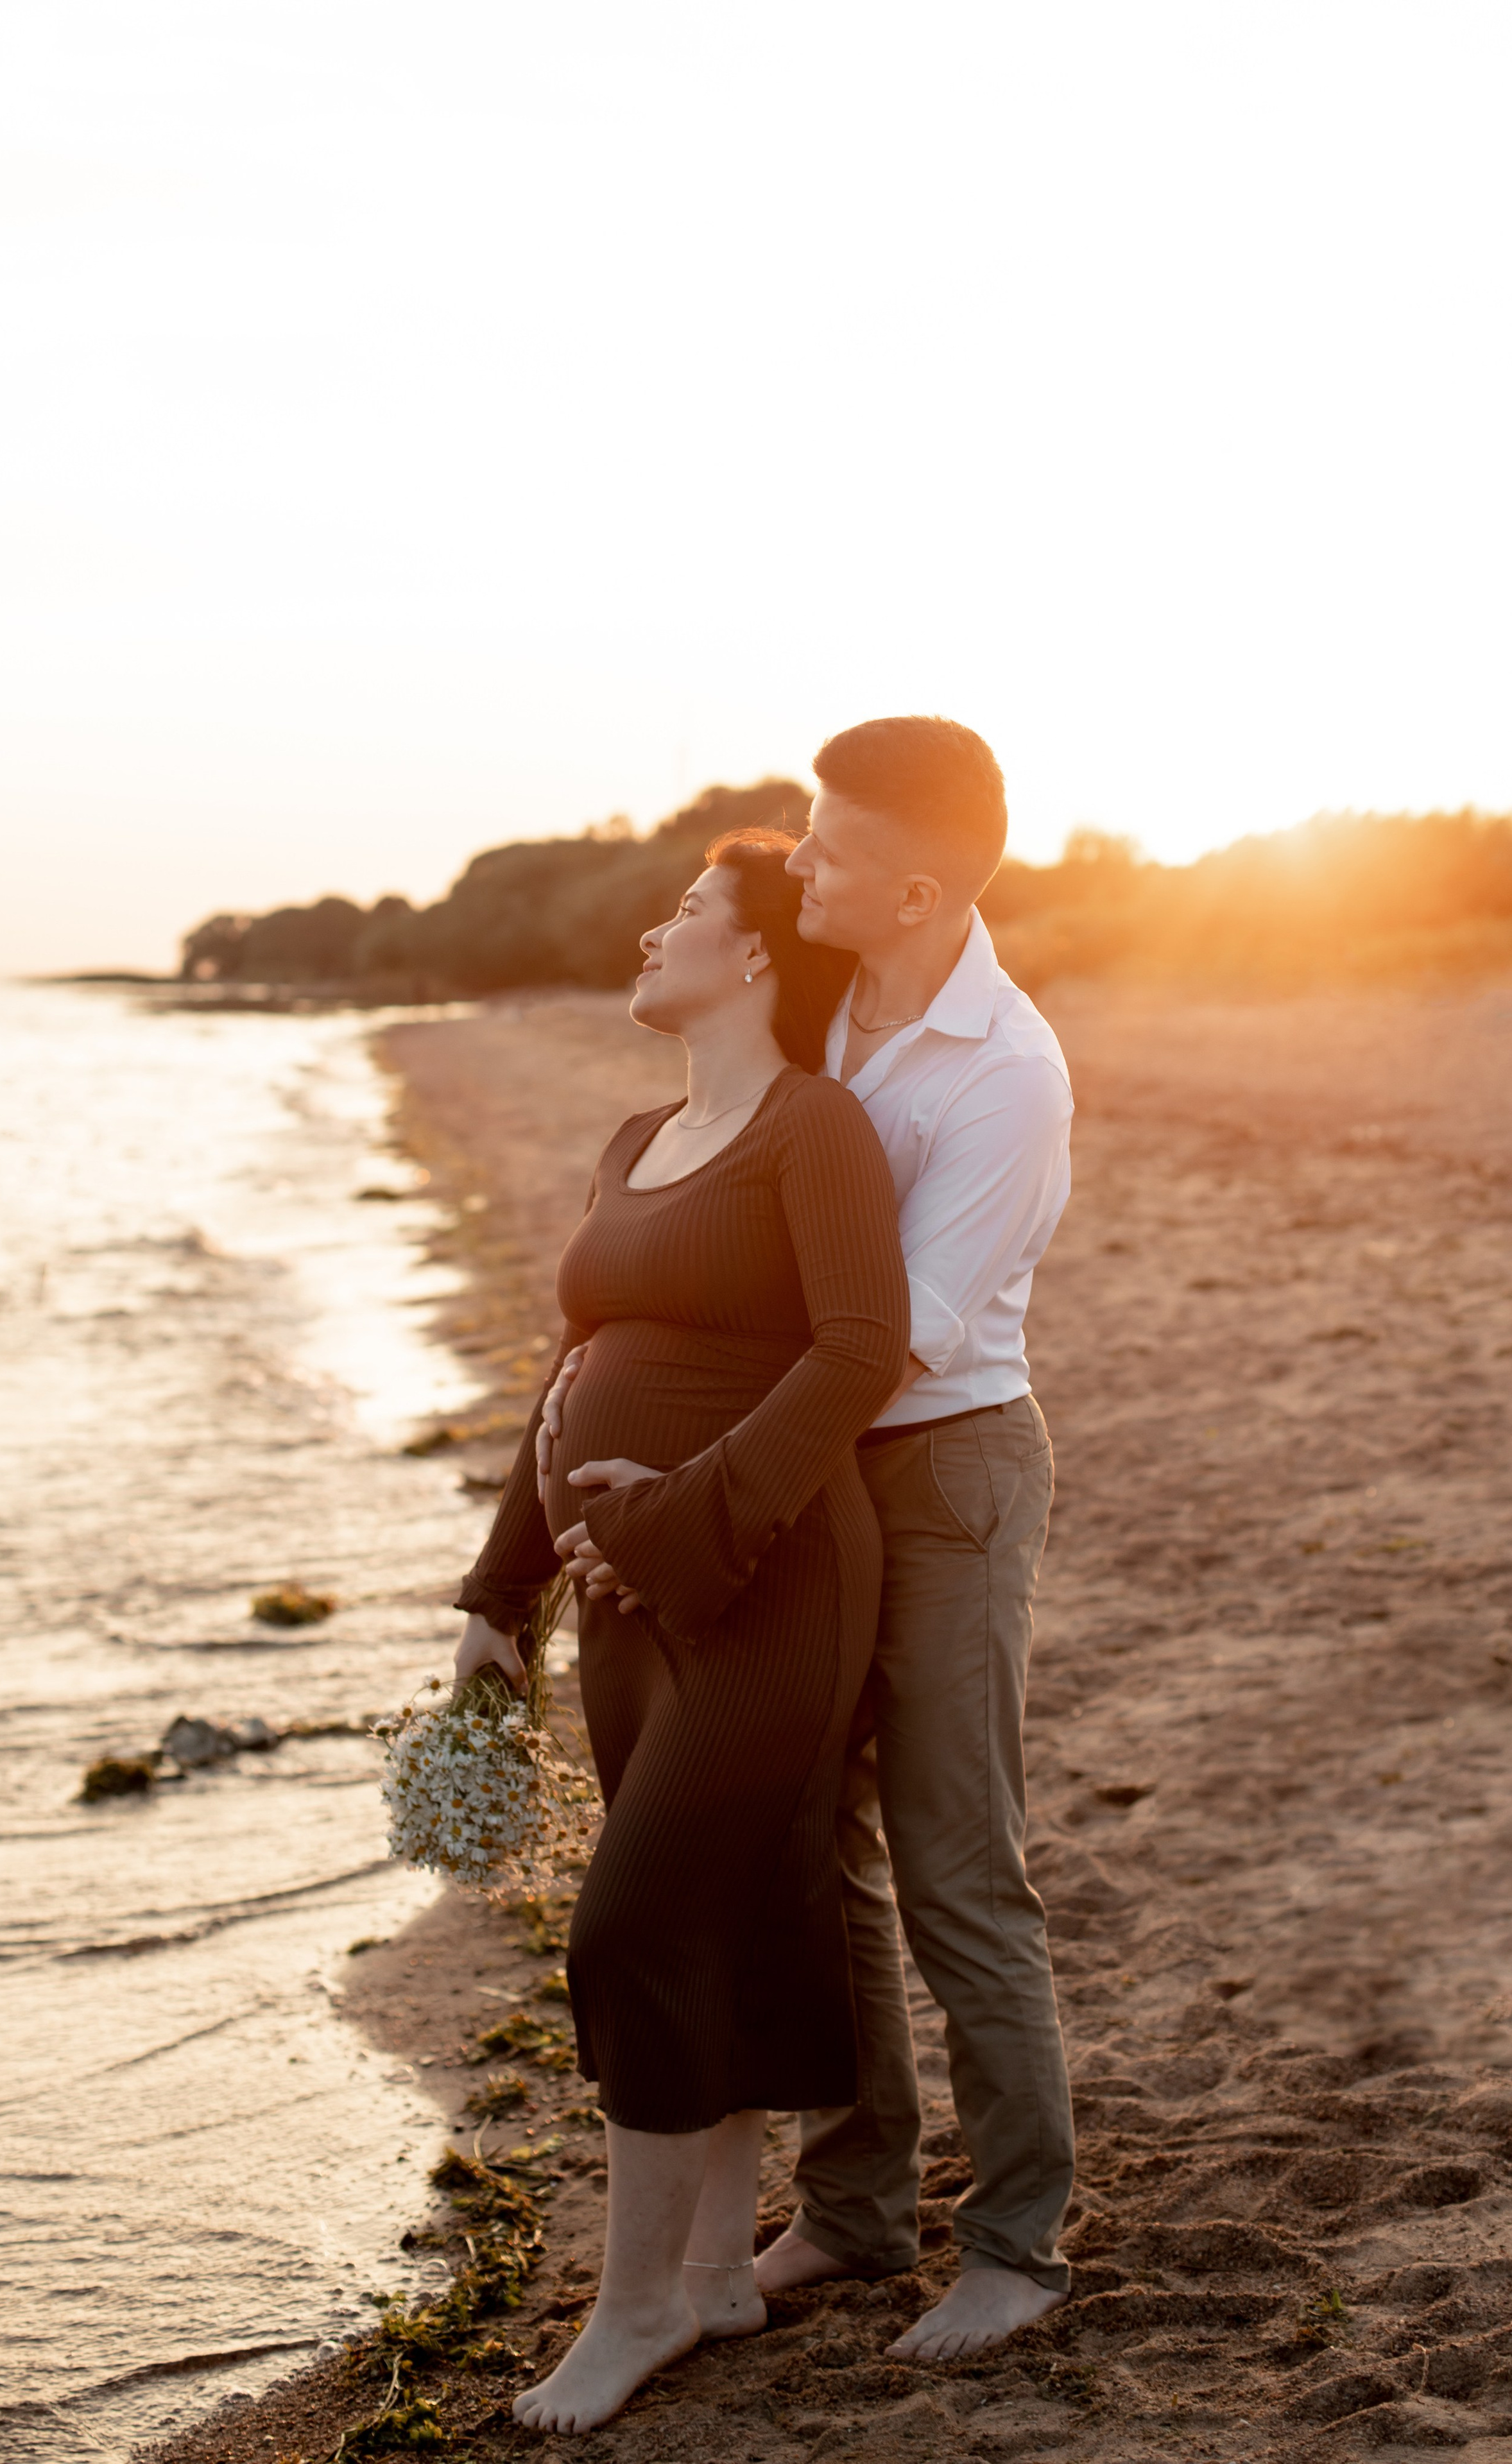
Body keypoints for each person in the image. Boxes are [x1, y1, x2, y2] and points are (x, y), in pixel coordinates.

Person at [540, 716, 1076, 2363]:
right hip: (808, 1472)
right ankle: (852, 2208)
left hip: (939, 1468)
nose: (800, 859)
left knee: (951, 1851)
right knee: (804, 1842)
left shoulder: (1005, 1073)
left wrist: (699, 1508)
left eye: (829, 846)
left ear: (915, 888)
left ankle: (1014, 2245)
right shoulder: (826, 1000)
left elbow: (885, 1338)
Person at [452, 826, 911, 2435]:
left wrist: (685, 1515)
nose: (656, 931)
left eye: (689, 912)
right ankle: (715, 2271)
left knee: (629, 1925)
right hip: (619, 1607)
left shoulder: (816, 1128)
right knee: (711, 1915)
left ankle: (634, 2305)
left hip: (767, 1582)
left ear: (762, 955)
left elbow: (862, 1348)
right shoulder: (637, 1133)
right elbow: (566, 1378)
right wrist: (501, 1591)